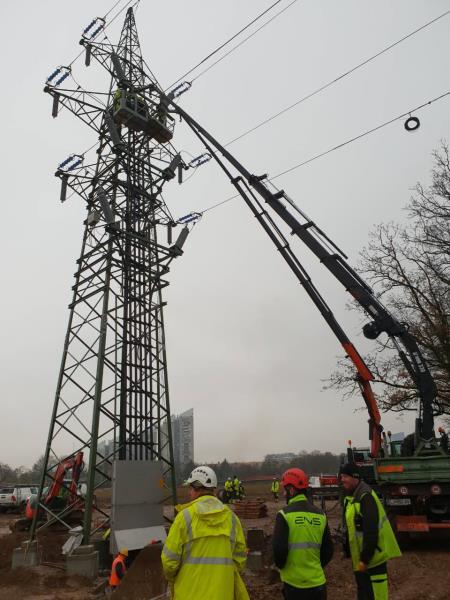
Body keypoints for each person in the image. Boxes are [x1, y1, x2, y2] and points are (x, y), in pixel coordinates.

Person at [161, 466, 249, 600]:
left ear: (195, 488)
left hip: (188, 594)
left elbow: (169, 562)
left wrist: (177, 578)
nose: (189, 493)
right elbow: (240, 559)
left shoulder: (184, 518)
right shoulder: (232, 519)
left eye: (190, 488)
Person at [341, 463, 401, 600]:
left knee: (374, 596)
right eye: (342, 476)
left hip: (372, 561)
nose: (342, 480)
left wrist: (364, 559)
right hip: (364, 562)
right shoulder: (353, 497)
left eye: (345, 476)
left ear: (355, 477)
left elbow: (371, 532)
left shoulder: (365, 497)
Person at [273, 468, 333, 599]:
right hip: (318, 584)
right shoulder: (321, 515)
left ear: (292, 490)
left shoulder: (284, 515)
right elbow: (328, 550)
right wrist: (315, 567)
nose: (283, 494)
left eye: (285, 489)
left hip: (294, 585)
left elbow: (279, 550)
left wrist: (283, 568)